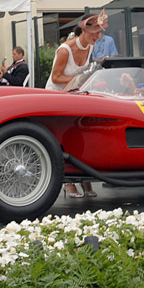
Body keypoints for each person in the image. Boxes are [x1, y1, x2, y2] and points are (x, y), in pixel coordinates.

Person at [48, 11, 104, 198]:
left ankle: (84, 179)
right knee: (63, 139)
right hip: (56, 96)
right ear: (84, 30)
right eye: (95, 32)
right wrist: (79, 79)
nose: (98, 36)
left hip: (74, 96)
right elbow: (56, 77)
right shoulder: (65, 49)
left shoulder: (90, 47)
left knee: (80, 136)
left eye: (99, 32)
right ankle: (69, 182)